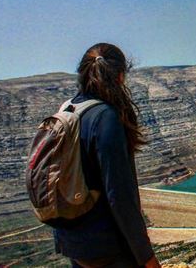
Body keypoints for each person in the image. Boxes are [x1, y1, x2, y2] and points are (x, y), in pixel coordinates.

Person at [53, 43, 161, 268]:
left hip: (74, 241)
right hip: (107, 246)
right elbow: (120, 196)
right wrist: (146, 256)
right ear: (120, 76)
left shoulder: (68, 109)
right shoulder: (105, 117)